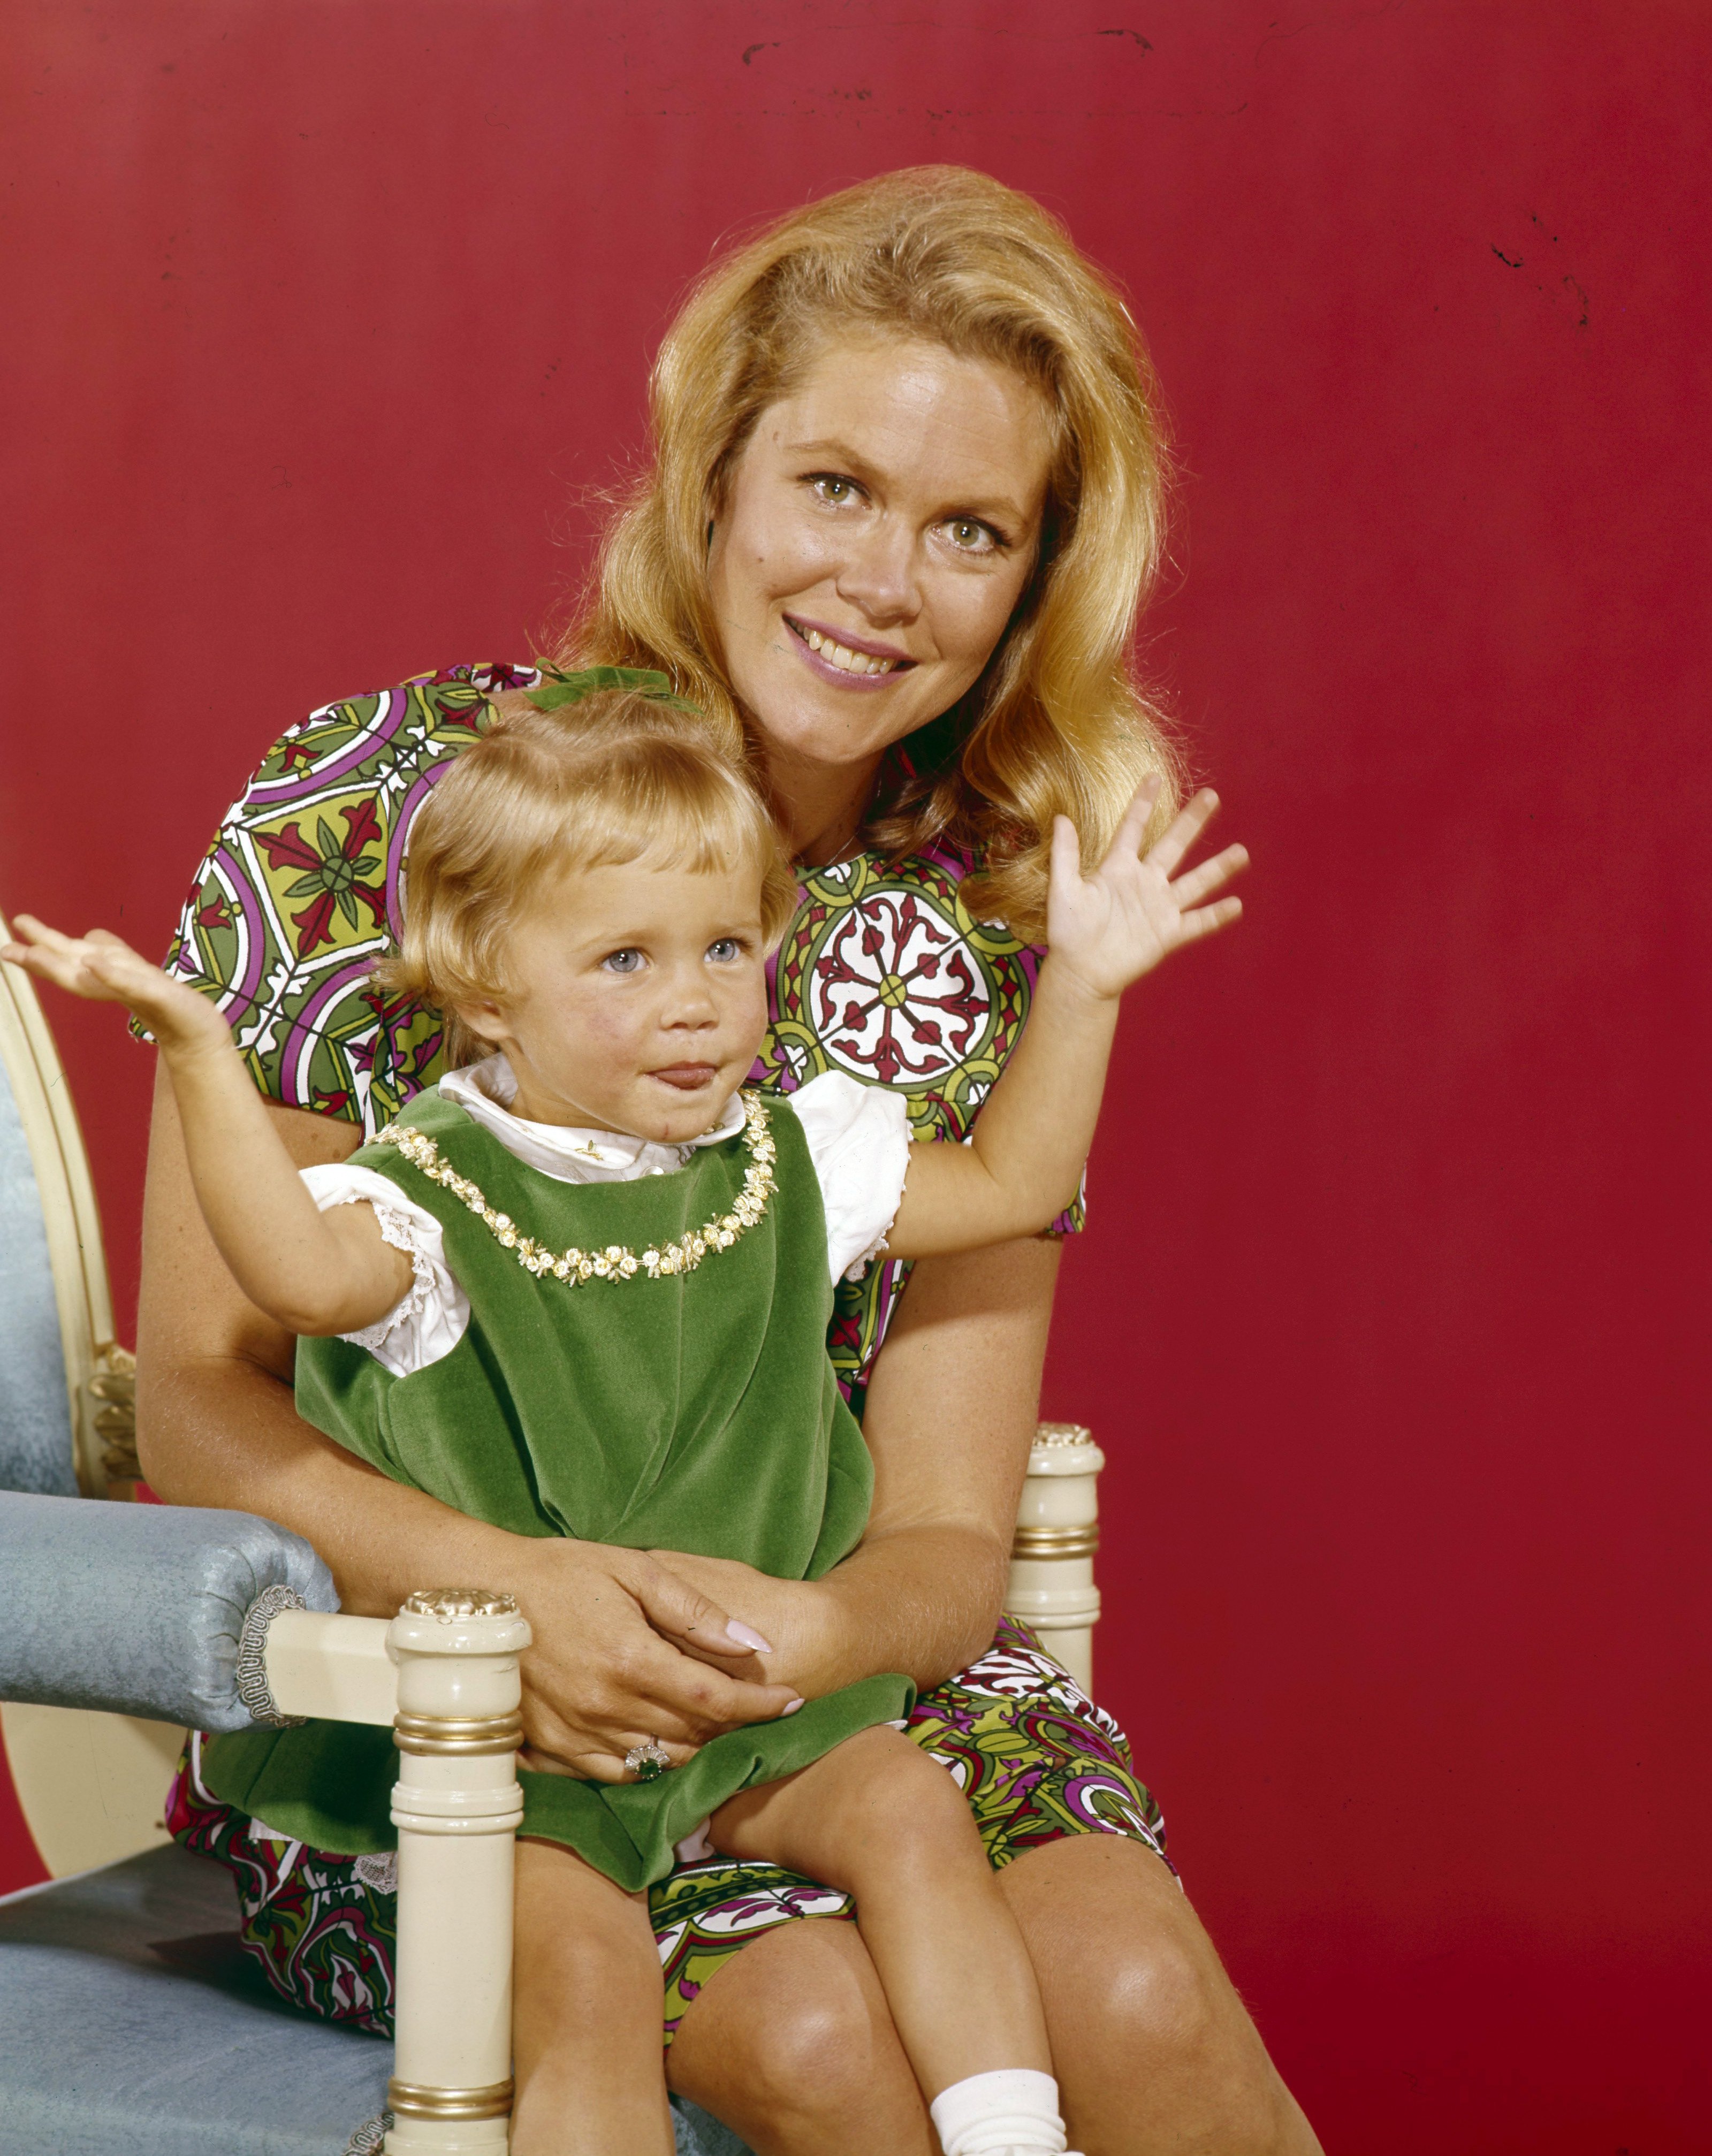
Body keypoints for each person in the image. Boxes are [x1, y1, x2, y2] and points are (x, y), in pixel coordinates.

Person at [134, 167, 1325, 2152]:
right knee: (825, 2043)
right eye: (836, 487)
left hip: (848, 1687)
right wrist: (526, 1596)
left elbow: (945, 1540)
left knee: (1122, 1985)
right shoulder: (373, 814)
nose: (886, 582)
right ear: (713, 479)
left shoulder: (976, 949)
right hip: (436, 1715)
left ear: (1029, 590)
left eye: (972, 532)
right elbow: (198, 1402)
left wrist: (818, 1642)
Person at [7, 679, 1245, 2156]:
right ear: (483, 985)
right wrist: (207, 1065)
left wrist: (1087, 990)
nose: (694, 999)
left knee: (910, 1813)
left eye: (727, 947)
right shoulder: (431, 1197)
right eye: (624, 960)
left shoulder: (794, 1158)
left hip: (753, 1696)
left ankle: (1009, 2135)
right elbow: (285, 1272)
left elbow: (1016, 1185)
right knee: (580, 1993)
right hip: (538, 1736)